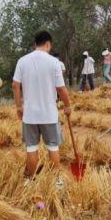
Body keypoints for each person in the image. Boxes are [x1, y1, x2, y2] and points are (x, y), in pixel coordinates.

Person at [12, 31, 72, 185]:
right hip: (49, 115)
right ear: (48, 44)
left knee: (31, 149)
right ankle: (57, 182)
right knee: (53, 148)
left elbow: (15, 85)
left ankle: (30, 182)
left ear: (35, 44)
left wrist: (19, 107)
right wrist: (68, 106)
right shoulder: (54, 62)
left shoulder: (22, 61)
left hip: (30, 116)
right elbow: (61, 89)